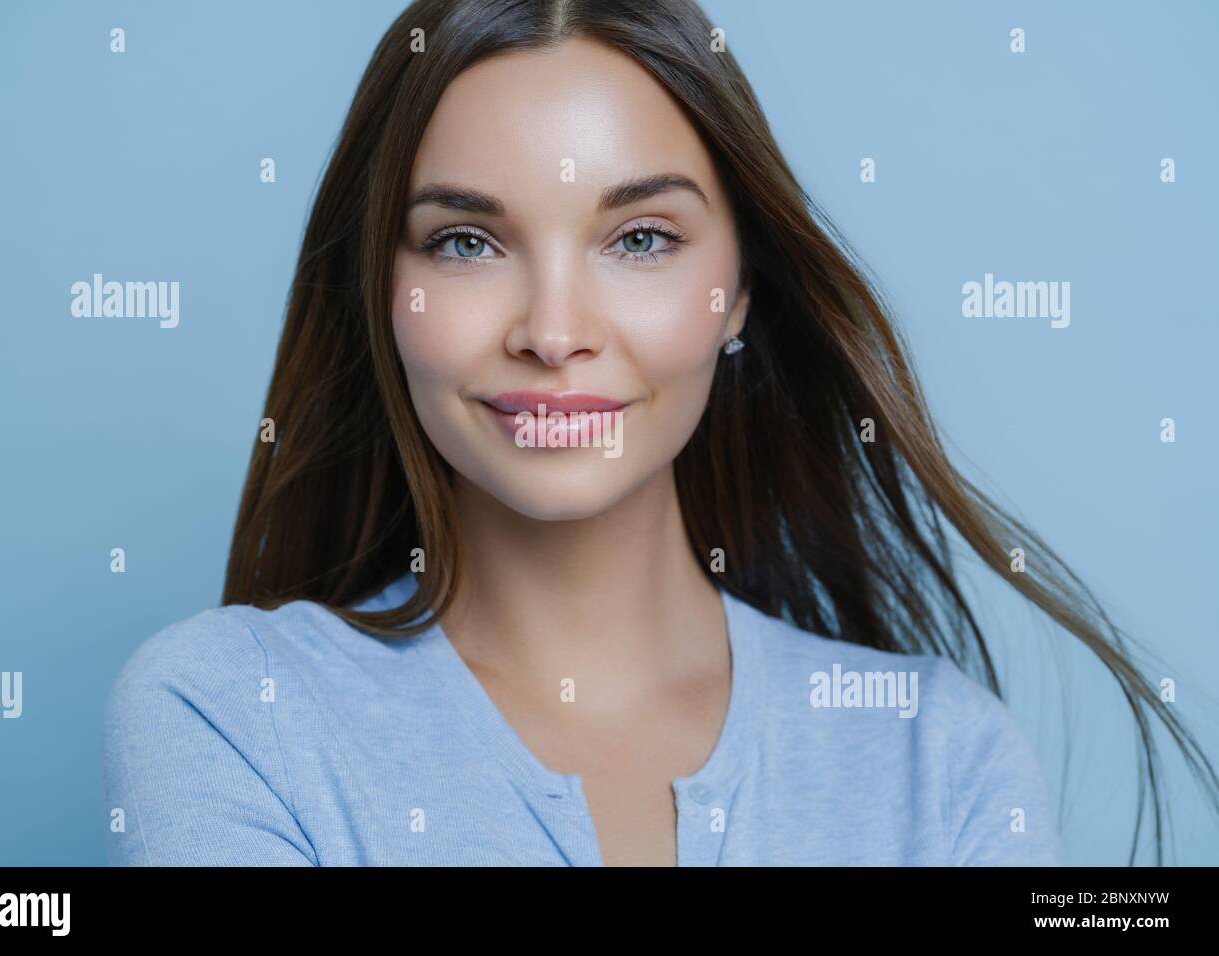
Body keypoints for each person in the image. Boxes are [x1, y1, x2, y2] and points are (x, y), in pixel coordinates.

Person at [102, 0, 1214, 866]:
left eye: (638, 239)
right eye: (464, 243)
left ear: (735, 290)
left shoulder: (941, 761)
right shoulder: (230, 714)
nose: (552, 332)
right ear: (382, 291)